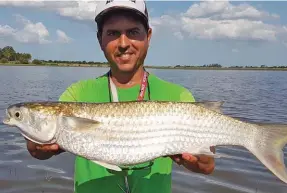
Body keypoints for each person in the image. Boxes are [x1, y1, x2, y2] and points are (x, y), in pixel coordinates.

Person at [25, 0, 216, 192]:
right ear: (100, 39)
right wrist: (37, 145)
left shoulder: (177, 95)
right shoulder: (77, 94)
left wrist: (193, 161)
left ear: (148, 36)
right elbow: (38, 151)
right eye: (113, 33)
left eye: (133, 32)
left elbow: (207, 166)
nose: (124, 43)